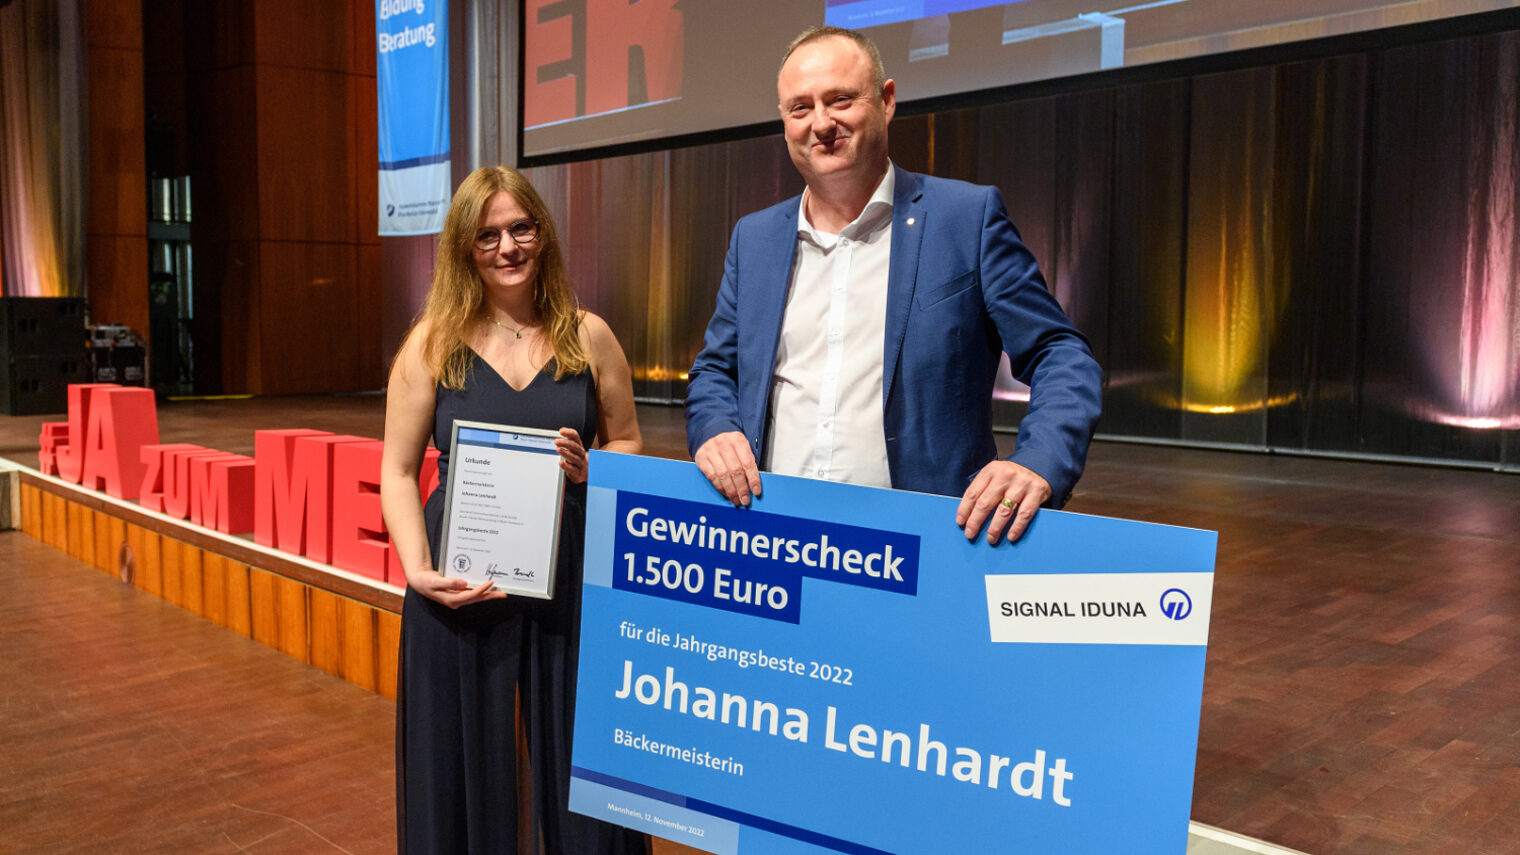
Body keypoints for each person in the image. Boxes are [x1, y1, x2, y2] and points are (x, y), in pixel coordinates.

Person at [685, 25, 1103, 545]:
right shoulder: (755, 239)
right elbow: (714, 371)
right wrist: (715, 429)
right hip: (774, 541)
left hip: (924, 548)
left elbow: (1060, 353)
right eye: (800, 108)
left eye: (840, 100)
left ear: (886, 101)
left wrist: (1039, 462)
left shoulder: (965, 219)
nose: (821, 124)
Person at [380, 165, 647, 854]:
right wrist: (416, 568)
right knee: (460, 765)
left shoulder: (589, 337)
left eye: (521, 228)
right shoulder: (431, 344)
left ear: (543, 233)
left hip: (573, 577)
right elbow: (399, 469)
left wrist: (600, 469)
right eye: (487, 234)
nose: (507, 247)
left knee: (584, 763)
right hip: (461, 581)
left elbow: (627, 439)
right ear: (464, 248)